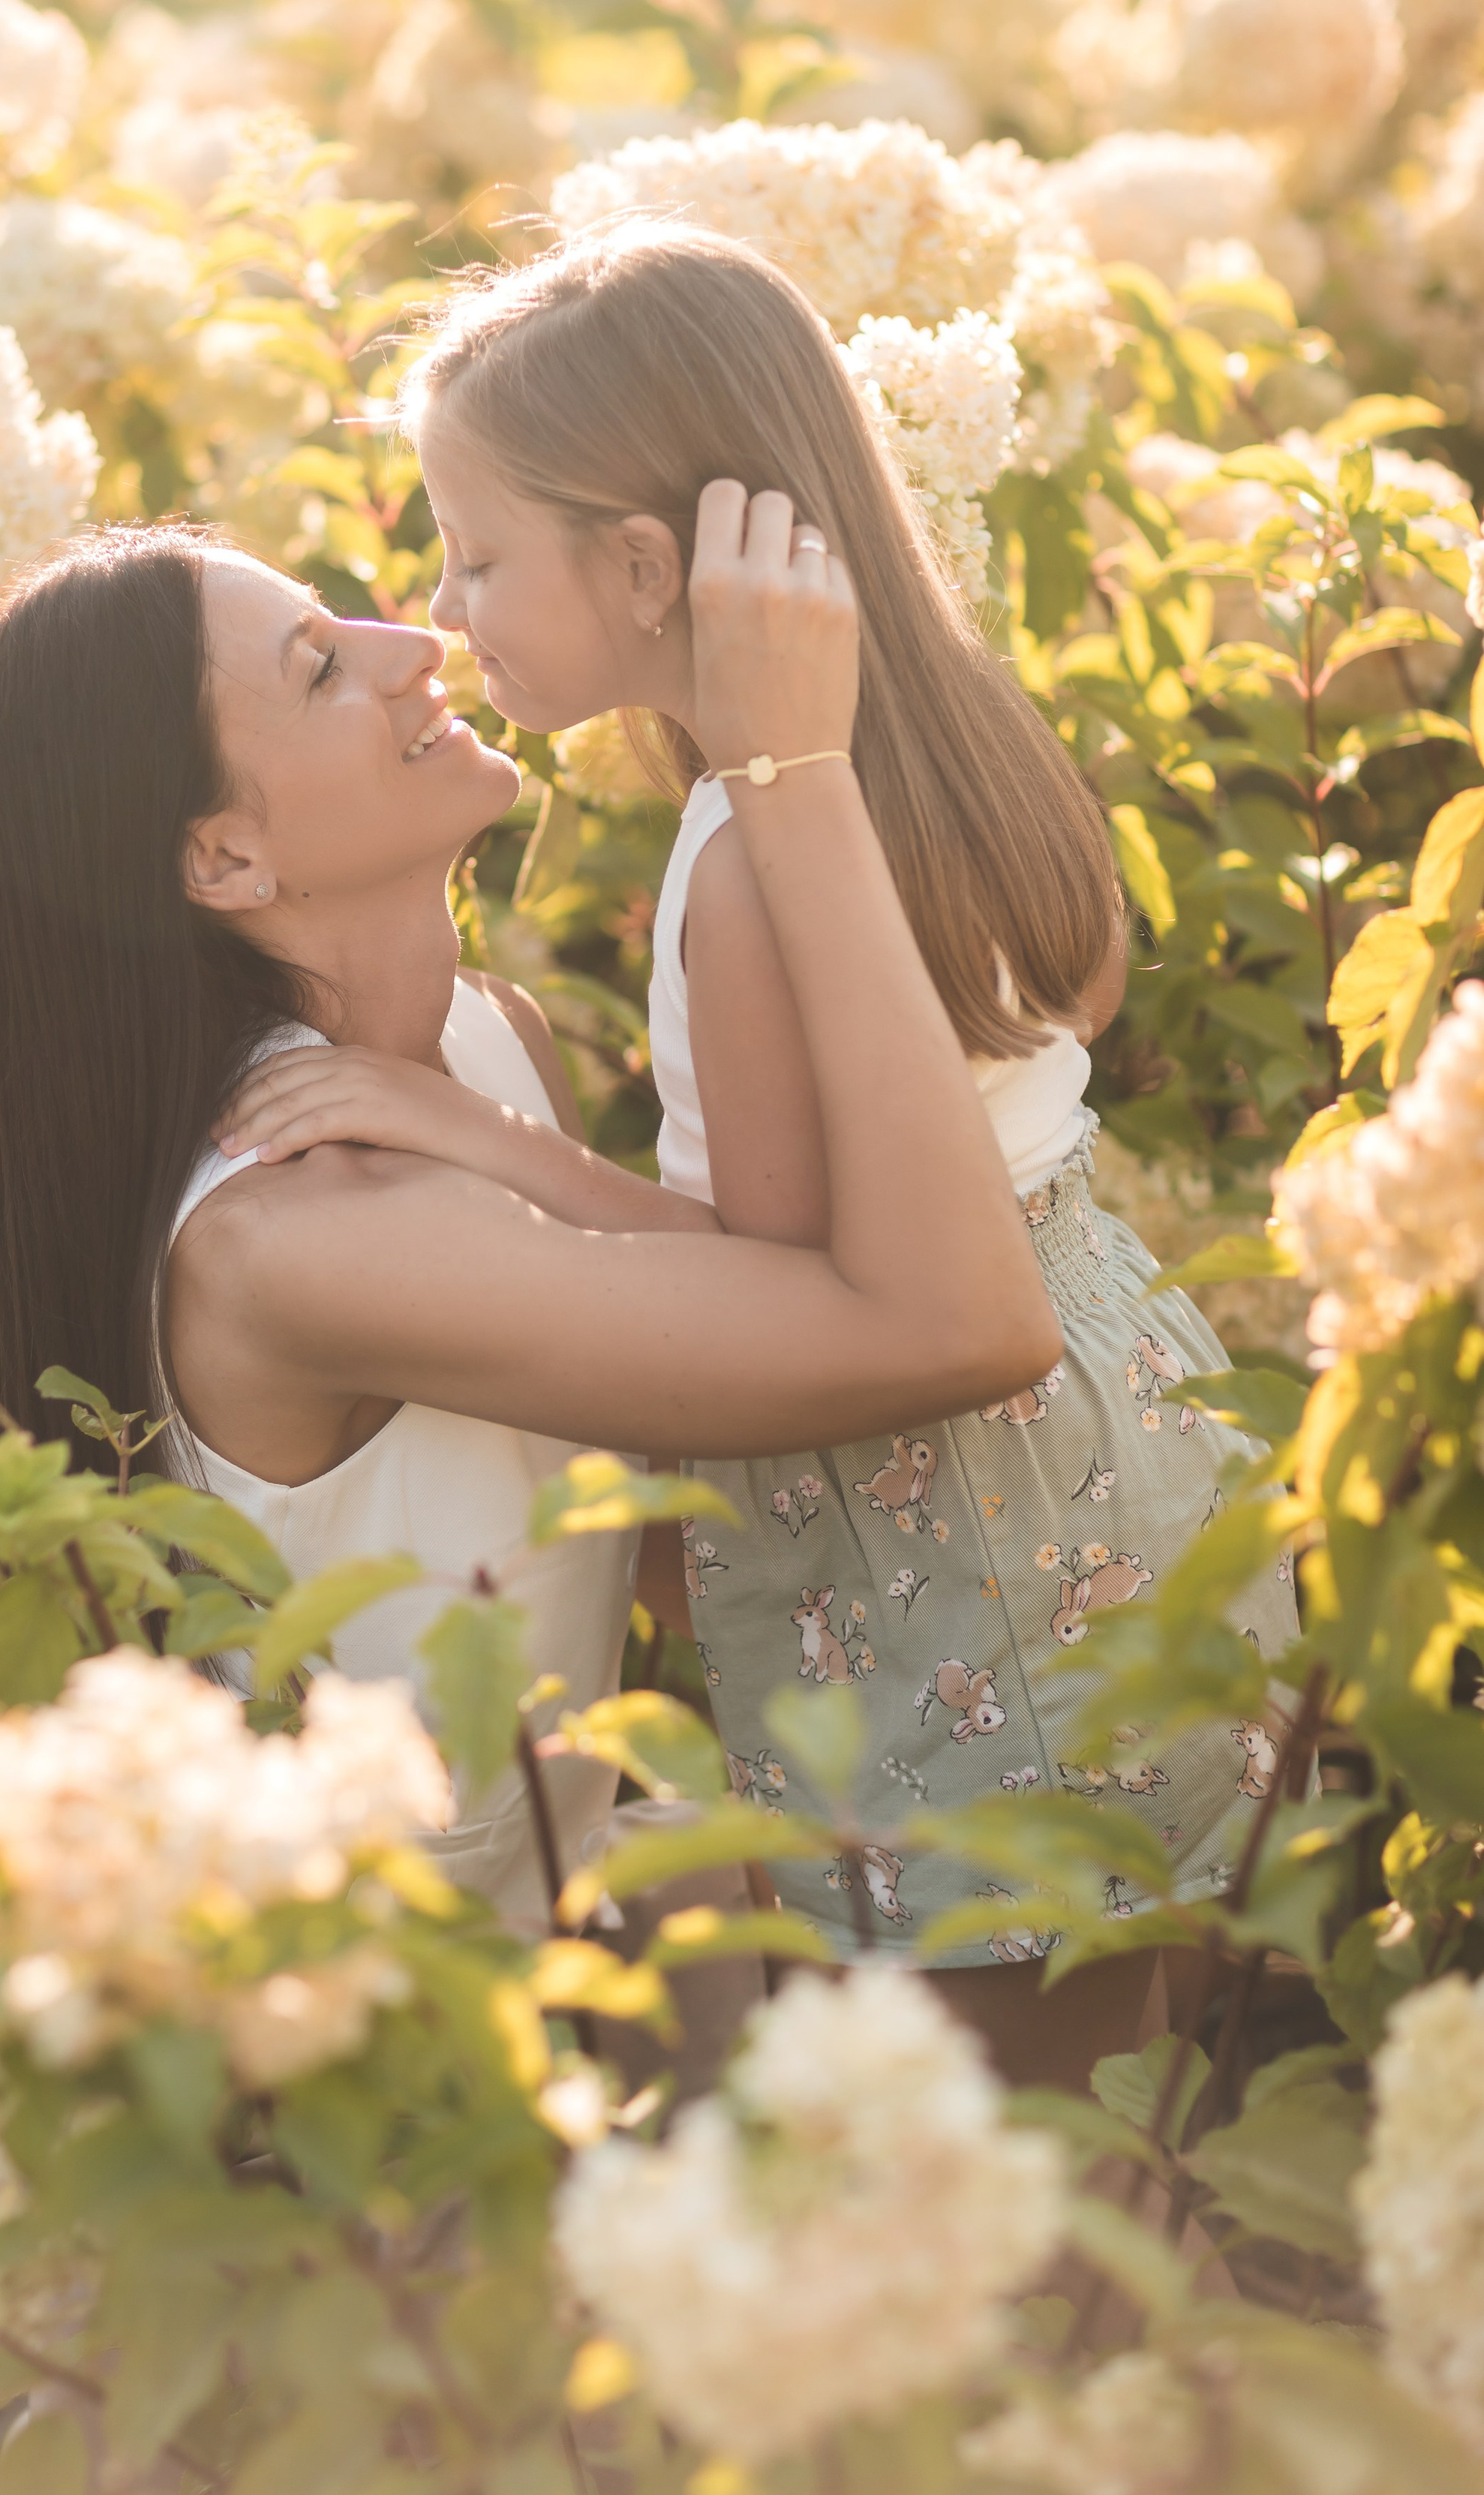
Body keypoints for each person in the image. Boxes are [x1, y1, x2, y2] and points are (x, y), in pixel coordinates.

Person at [224, 227, 1301, 2082]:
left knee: (980, 2078)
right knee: (1132, 2045)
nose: (443, 606)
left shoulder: (748, 860)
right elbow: (1078, 1008)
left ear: (646, 570)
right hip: (1114, 1429)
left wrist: (482, 1139)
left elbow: (785, 1285)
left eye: (476, 554)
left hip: (947, 1531)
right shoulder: (956, 733)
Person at [0, 490, 1058, 1932]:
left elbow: (650, 1501)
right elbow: (961, 1325)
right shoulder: (305, 1232)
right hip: (379, 2018)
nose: (414, 645)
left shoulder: (486, 1042)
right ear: (223, 859)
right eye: (322, 668)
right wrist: (792, 767)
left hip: (559, 1922)